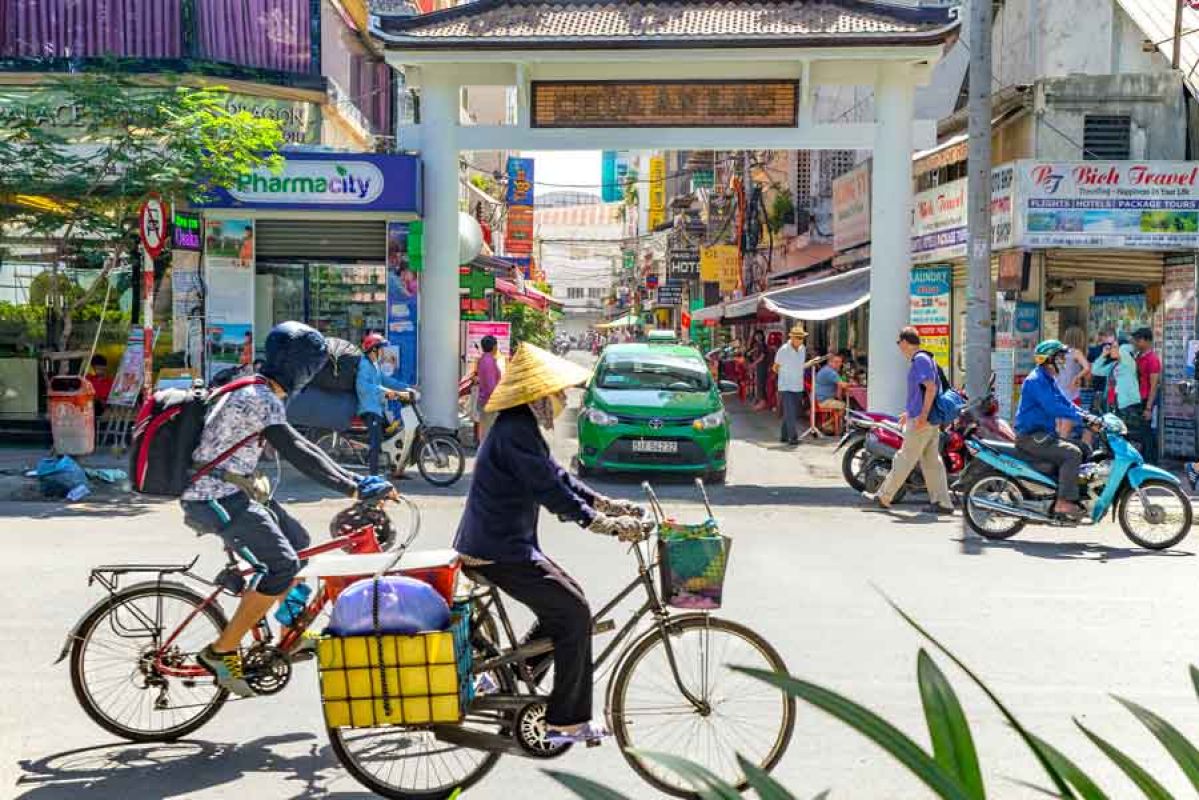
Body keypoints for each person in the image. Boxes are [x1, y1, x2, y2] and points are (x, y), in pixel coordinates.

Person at [181, 322, 394, 696]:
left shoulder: (252, 386)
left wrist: (354, 482)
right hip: (212, 496)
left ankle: (290, 631)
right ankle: (221, 651)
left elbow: (303, 448)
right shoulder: (260, 398)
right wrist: (353, 486)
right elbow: (300, 452)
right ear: (301, 368)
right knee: (281, 565)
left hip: (231, 489)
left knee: (299, 541)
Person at [453, 343, 647, 745]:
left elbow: (560, 478)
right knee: (574, 613)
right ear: (538, 395)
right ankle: (566, 723)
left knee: (566, 602)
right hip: (497, 552)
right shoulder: (514, 432)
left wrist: (607, 504)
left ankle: (499, 680)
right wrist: (602, 524)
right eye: (557, 394)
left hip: (506, 545)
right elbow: (550, 491)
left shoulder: (520, 426)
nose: (562, 401)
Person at [862, 327, 953, 515]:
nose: (899, 347)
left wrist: (922, 416)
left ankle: (884, 495)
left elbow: (930, 388)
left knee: (904, 458)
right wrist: (910, 411)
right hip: (928, 419)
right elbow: (923, 391)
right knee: (931, 462)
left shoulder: (920, 360)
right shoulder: (926, 358)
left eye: (898, 343)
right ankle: (943, 502)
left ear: (904, 342)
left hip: (923, 420)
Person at [1013, 340, 1094, 519]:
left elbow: (1065, 402)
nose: (1063, 361)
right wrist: (1081, 418)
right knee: (1072, 454)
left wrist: (1088, 416)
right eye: (1060, 357)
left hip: (1044, 434)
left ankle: (1074, 494)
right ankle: (1063, 502)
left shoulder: (1048, 379)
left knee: (1085, 449)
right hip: (1032, 437)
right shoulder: (1036, 380)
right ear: (1048, 360)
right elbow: (1053, 407)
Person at [357, 333, 416, 476]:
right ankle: (373, 476)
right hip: (369, 409)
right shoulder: (364, 366)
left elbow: (386, 380)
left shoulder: (374, 366)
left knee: (391, 435)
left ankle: (396, 470)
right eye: (380, 349)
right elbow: (364, 387)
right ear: (373, 350)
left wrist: (406, 387)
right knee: (376, 442)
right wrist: (386, 392)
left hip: (378, 408)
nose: (383, 352)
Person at [1091, 333, 1141, 437]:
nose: (1110, 349)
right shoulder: (1115, 364)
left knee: (1126, 436)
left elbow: (1126, 348)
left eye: (1114, 347)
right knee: (1116, 436)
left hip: (1128, 405)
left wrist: (1120, 343)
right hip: (1115, 405)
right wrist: (1103, 355)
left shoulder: (1128, 361)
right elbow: (1096, 370)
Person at [772, 324, 810, 445]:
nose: (800, 340)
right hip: (786, 385)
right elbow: (775, 367)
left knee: (790, 412)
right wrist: (785, 375)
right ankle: (793, 437)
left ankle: (784, 435)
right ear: (792, 338)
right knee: (790, 412)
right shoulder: (783, 350)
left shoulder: (803, 348)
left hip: (798, 385)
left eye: (801, 337)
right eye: (798, 337)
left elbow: (800, 365)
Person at [1131, 327, 1161, 464]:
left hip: (1146, 400)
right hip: (1138, 398)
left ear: (1146, 340)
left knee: (1147, 433)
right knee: (1142, 433)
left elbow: (1154, 385)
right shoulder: (1138, 357)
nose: (1135, 343)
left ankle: (1152, 462)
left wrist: (1149, 407)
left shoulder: (1153, 359)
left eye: (1138, 340)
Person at [473, 334, 503, 442]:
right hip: (489, 401)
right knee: (489, 431)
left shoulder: (484, 359)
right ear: (494, 347)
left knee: (486, 430)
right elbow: (491, 386)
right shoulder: (489, 361)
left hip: (485, 400)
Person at [748, 330, 769, 410]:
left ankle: (763, 403)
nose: (758, 337)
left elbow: (762, 357)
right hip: (758, 366)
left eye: (760, 335)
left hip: (762, 366)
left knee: (761, 383)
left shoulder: (763, 345)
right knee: (758, 383)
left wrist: (754, 363)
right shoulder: (756, 345)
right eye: (756, 335)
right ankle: (760, 401)